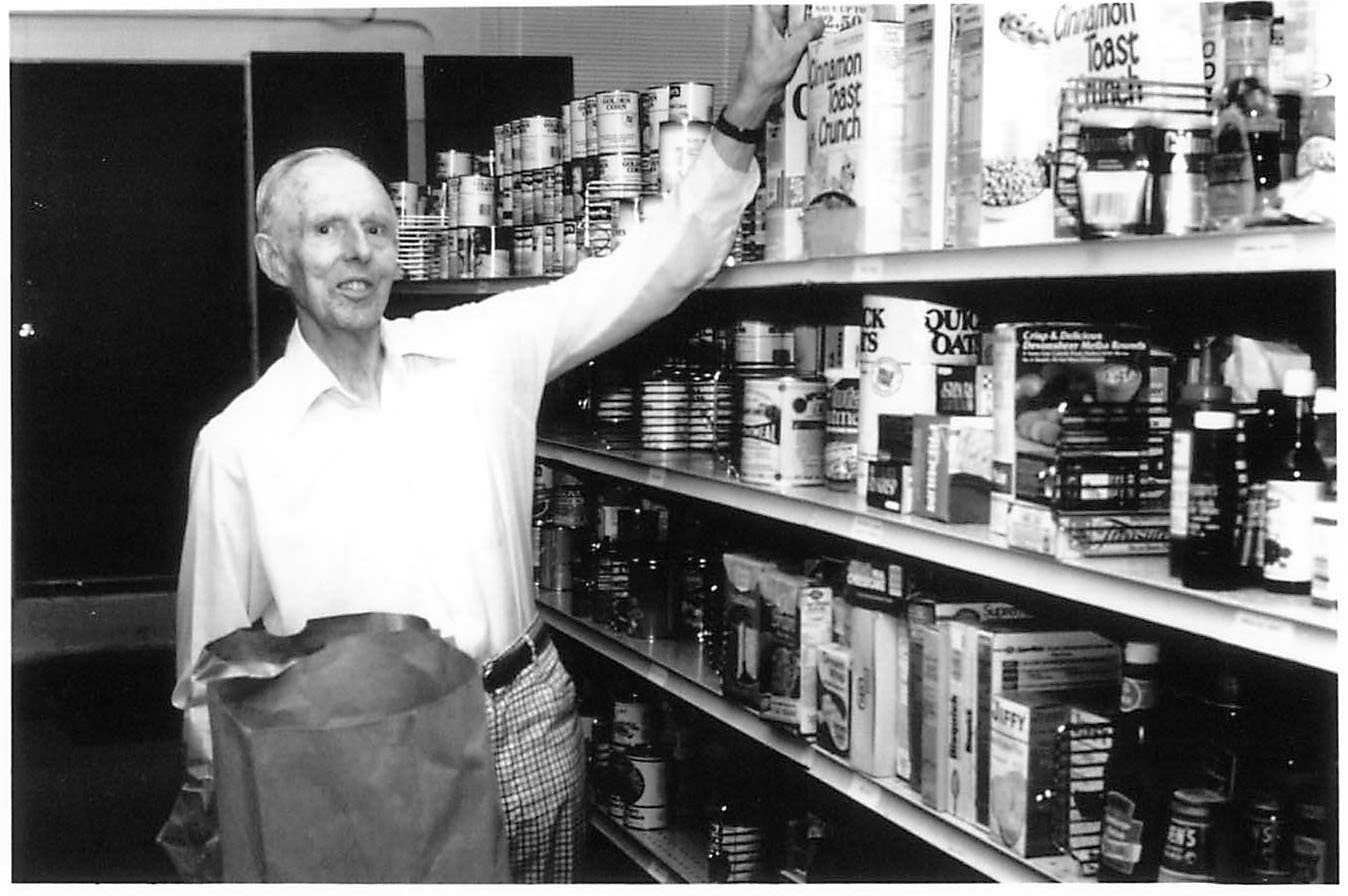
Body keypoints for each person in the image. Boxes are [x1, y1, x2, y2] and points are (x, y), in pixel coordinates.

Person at [168, 6, 823, 883]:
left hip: (527, 719)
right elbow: (212, 679)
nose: (358, 252)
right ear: (274, 257)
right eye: (325, 230)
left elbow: (648, 270)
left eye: (375, 225)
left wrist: (746, 107)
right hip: (364, 754)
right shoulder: (240, 445)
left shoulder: (479, 350)